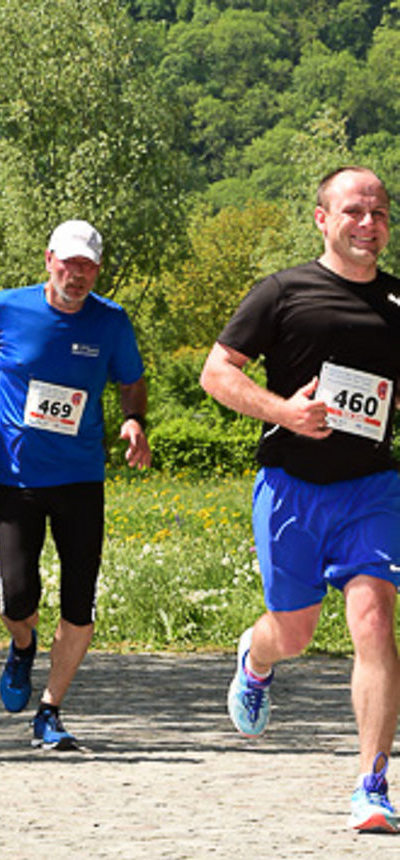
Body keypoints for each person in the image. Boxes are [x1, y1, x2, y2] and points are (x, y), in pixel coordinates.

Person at [199, 166, 400, 833]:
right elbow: (216, 373)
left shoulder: (398, 302)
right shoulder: (283, 292)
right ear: (322, 219)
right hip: (291, 487)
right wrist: (283, 411)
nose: (368, 224)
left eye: (379, 213)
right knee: (294, 632)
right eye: (354, 212)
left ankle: (372, 785)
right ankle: (256, 661)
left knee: (373, 620)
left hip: (373, 488)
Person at [0, 219, 151, 751]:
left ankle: (50, 710)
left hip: (81, 477)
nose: (77, 274)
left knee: (79, 601)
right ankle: (23, 646)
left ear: (97, 270)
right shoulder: (5, 308)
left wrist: (134, 422)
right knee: (17, 598)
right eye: (68, 263)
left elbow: (132, 381)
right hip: (15, 476)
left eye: (87, 265)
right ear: (48, 260)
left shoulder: (111, 321)